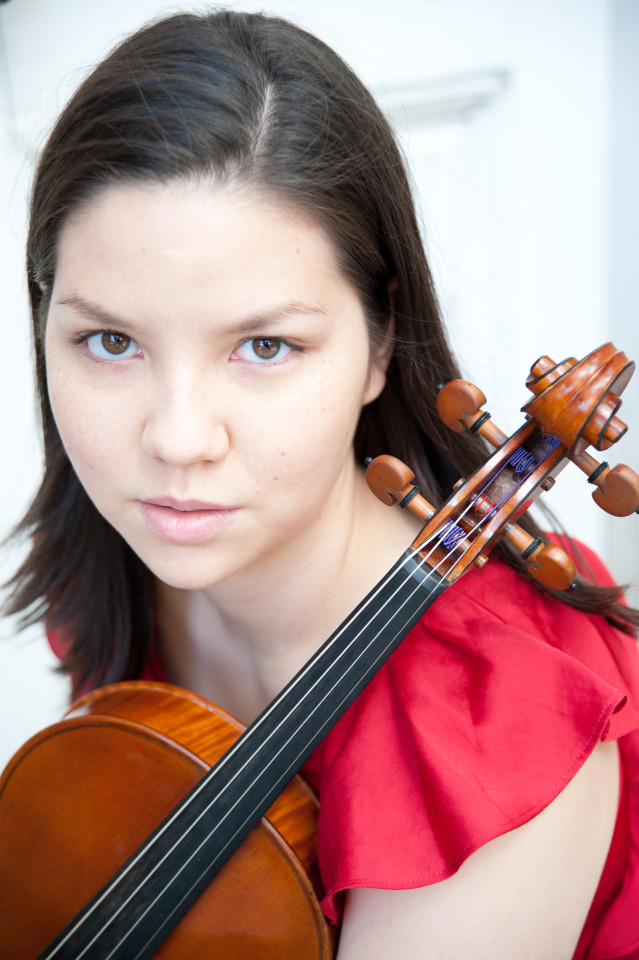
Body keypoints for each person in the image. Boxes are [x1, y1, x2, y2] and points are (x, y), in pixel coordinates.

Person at [4, 9, 639, 958]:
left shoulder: (492, 727)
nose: (177, 440)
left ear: (381, 343)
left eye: (265, 346)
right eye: (111, 341)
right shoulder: (124, 560)